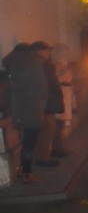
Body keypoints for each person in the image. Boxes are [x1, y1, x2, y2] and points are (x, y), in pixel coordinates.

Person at [2, 44, 47, 183]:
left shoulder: (11, 64)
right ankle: (27, 173)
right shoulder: (33, 63)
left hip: (18, 109)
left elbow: (9, 90)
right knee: (29, 143)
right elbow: (42, 87)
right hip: (32, 109)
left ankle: (24, 170)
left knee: (25, 142)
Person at [30, 41, 64, 167]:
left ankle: (50, 152)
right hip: (45, 103)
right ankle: (42, 158)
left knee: (51, 129)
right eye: (46, 50)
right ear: (38, 51)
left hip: (46, 102)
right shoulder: (41, 64)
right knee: (46, 130)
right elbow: (46, 85)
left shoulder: (41, 63)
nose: (49, 52)